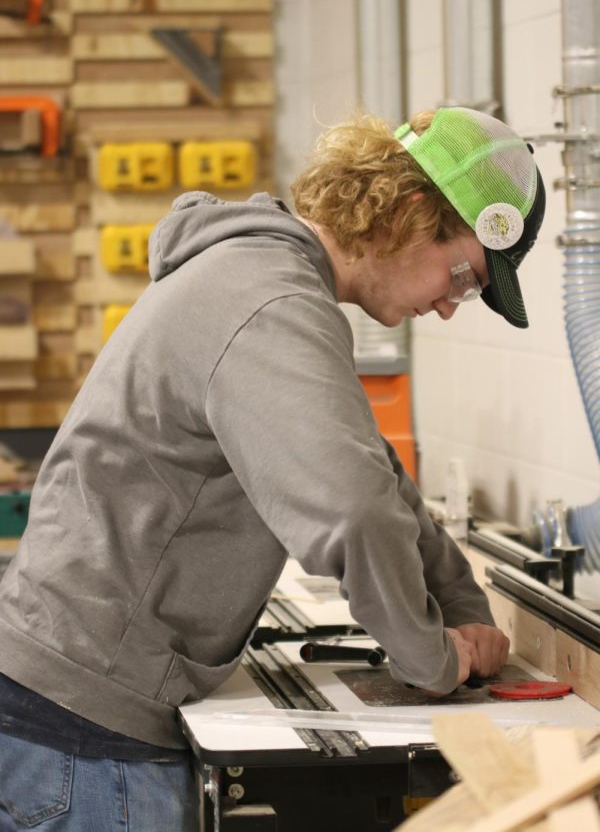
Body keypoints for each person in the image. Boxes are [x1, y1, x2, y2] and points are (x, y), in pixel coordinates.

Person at [0, 106, 544, 830]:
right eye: (462, 276)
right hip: (89, 729)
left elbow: (368, 471)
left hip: (73, 698)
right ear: (411, 213)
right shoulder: (273, 299)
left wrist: (464, 607)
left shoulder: (273, 280)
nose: (449, 306)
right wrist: (433, 660)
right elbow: (351, 510)